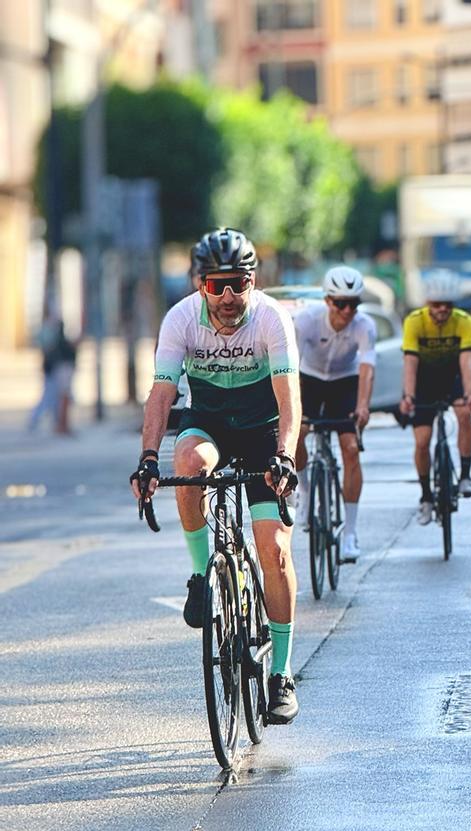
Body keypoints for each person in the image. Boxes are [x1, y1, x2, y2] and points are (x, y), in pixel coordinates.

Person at [129, 228, 303, 724]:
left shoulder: (271, 318)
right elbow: (162, 395)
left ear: (254, 281)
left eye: (237, 284)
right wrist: (147, 457)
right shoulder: (180, 319)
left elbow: (289, 398)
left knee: (274, 550)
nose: (227, 297)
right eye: (215, 285)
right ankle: (201, 575)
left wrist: (285, 457)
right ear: (199, 284)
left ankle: (281, 674)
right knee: (187, 464)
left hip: (262, 431)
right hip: (208, 423)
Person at [292, 265, 376, 561]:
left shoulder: (364, 325)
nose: (348, 310)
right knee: (296, 434)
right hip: (309, 379)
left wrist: (363, 406)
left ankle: (350, 533)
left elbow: (367, 368)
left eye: (354, 303)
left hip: (345, 382)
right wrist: (291, 408)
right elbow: (290, 367)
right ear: (327, 301)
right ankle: (304, 490)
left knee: (351, 448)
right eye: (341, 303)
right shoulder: (306, 320)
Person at [399, 268, 471, 525]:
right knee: (422, 441)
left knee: (464, 413)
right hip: (424, 381)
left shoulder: (464, 321)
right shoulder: (415, 321)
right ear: (427, 302)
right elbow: (410, 363)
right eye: (436, 304)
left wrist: (469, 393)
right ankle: (425, 496)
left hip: (452, 377)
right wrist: (409, 395)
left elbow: (466, 362)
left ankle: (465, 475)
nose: (442, 309)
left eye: (448, 304)